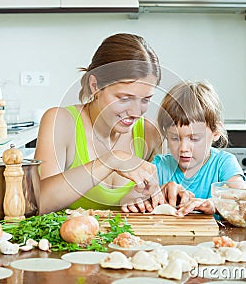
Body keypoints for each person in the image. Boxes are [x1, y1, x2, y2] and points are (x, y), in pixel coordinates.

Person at [35, 33, 191, 215]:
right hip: (71, 242)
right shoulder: (61, 122)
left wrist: (165, 193)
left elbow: (154, 200)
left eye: (146, 99)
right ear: (95, 86)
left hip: (131, 241)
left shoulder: (150, 133)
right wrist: (111, 160)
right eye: (124, 98)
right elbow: (39, 203)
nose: (135, 112)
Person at [152, 81, 245, 216]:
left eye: (194, 139)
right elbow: (132, 198)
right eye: (175, 138)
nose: (183, 148)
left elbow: (242, 199)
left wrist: (216, 204)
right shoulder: (159, 166)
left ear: (216, 133)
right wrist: (154, 194)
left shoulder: (223, 164)